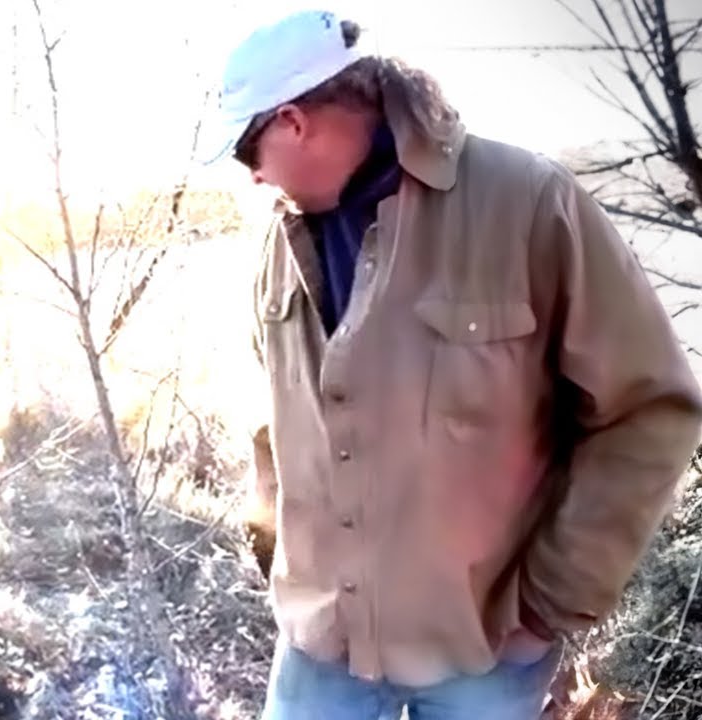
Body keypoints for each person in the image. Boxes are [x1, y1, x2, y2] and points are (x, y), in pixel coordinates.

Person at [207, 8, 702, 719]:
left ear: (292, 121)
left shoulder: (528, 203)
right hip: (319, 648)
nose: (252, 179)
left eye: (245, 153)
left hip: (486, 653)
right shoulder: (276, 245)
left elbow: (648, 409)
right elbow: (274, 421)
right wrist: (277, 553)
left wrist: (554, 600)